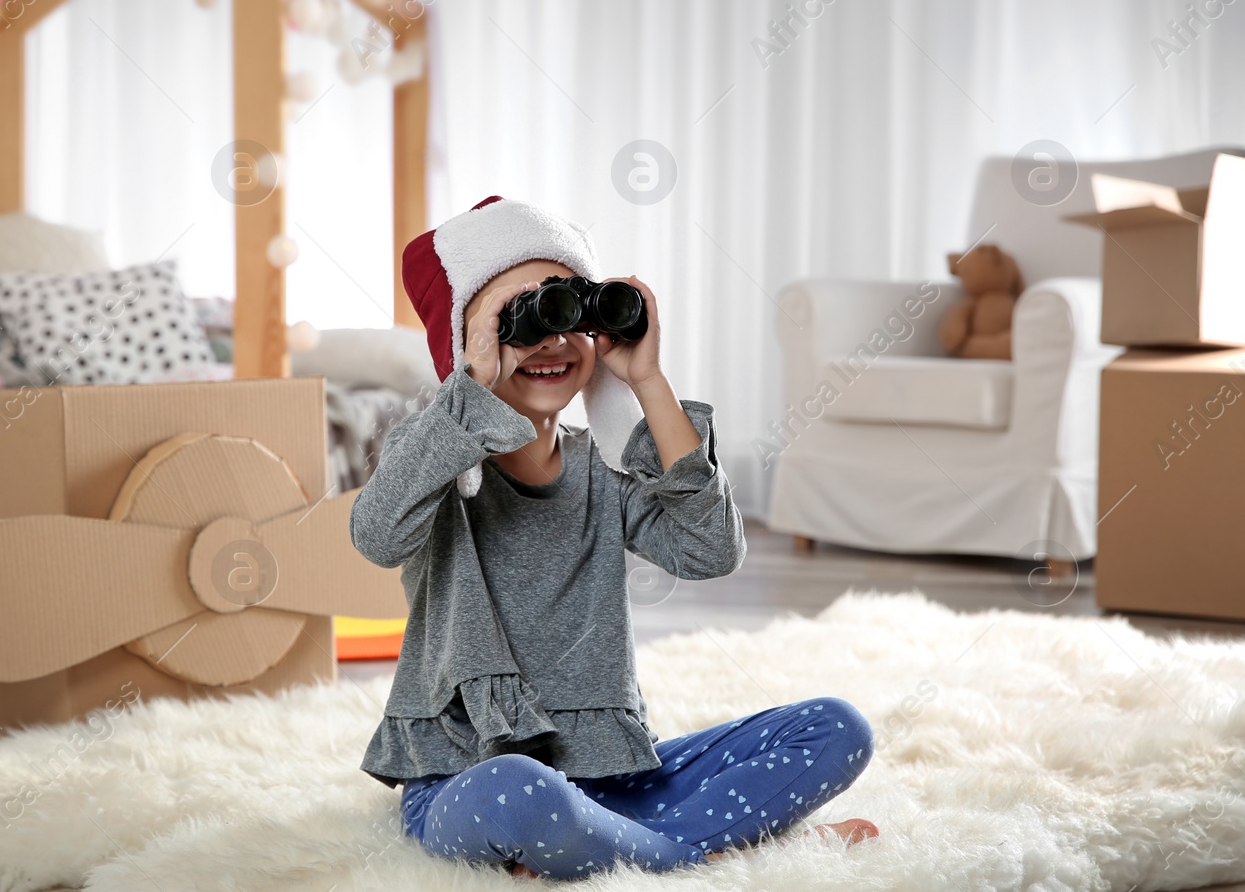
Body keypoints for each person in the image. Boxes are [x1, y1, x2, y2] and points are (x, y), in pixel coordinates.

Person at [350, 196, 878, 881]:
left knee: (838, 728)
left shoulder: (605, 470)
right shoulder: (439, 462)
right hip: (467, 777)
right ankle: (700, 851)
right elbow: (376, 534)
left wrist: (647, 380)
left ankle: (622, 846)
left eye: (573, 309)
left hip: (616, 779)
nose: (551, 338)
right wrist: (474, 384)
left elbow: (710, 550)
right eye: (520, 317)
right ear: (465, 343)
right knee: (518, 790)